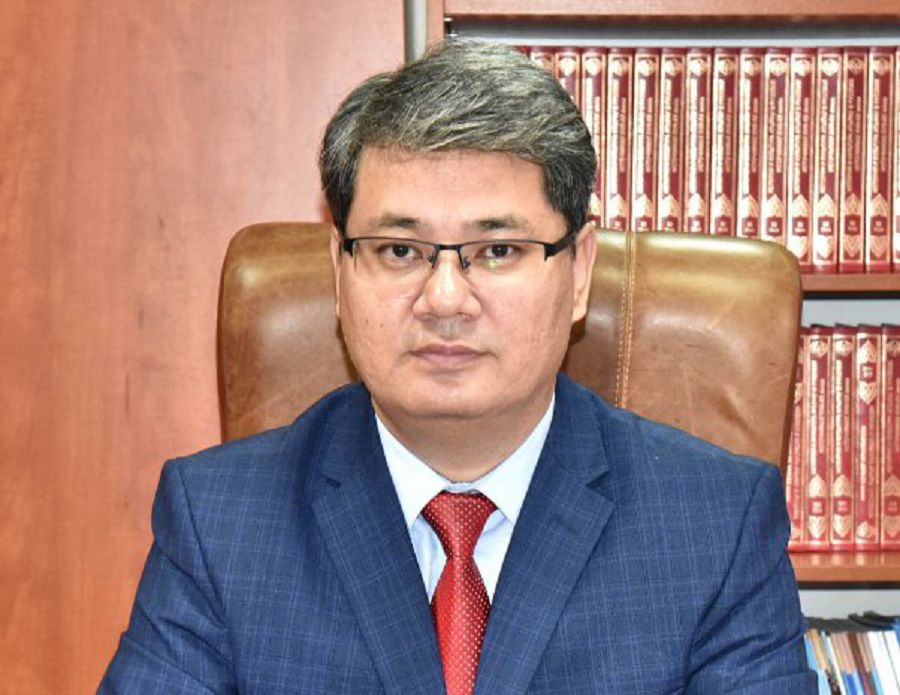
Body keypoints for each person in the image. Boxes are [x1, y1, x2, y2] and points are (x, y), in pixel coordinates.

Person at [100, 41, 815, 694]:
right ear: (340, 272)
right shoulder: (220, 521)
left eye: (497, 250)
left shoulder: (713, 525)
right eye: (399, 250)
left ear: (578, 271)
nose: (445, 299)